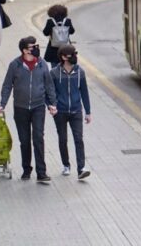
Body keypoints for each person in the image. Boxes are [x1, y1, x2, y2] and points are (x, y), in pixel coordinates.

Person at [0, 36, 57, 182]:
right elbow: (7, 85)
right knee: (24, 140)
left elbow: (49, 85)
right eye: (33, 47)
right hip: (20, 108)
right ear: (24, 50)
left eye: (37, 46)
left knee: (38, 138)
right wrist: (2, 104)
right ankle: (26, 170)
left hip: (38, 107)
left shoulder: (42, 64)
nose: (36, 49)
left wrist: (52, 104)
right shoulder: (15, 65)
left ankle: (41, 173)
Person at [51, 44, 92, 180]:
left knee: (78, 139)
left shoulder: (80, 72)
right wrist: (52, 105)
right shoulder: (55, 73)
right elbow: (50, 92)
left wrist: (88, 111)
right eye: (72, 54)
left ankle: (81, 168)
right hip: (60, 112)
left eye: (75, 53)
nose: (75, 57)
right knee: (63, 139)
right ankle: (66, 165)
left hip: (76, 111)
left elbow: (84, 92)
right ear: (63, 57)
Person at [43, 4, 75, 69]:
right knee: (66, 65)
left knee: (54, 67)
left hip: (53, 49)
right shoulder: (67, 21)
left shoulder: (50, 21)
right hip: (65, 48)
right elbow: (72, 31)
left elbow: (45, 33)